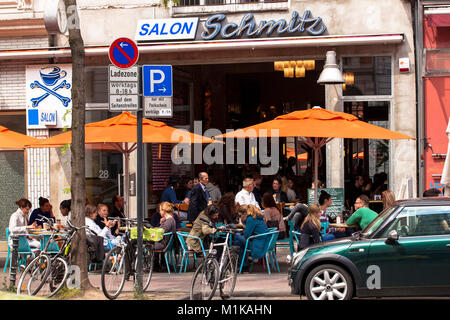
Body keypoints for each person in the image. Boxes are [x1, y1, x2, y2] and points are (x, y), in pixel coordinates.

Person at [241, 204, 270, 271]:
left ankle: (244, 265)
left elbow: (246, 234)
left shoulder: (250, 219)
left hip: (259, 243)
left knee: (238, 241)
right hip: (265, 241)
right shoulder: (258, 218)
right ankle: (245, 263)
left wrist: (244, 224)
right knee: (239, 241)